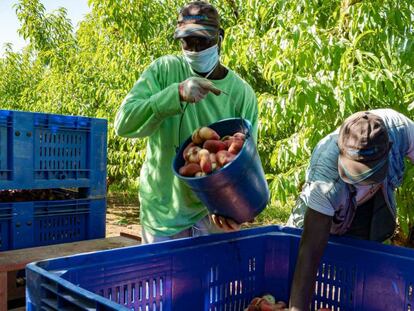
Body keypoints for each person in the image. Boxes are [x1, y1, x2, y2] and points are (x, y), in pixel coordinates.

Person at [114, 1, 258, 244]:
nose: (195, 48)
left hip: (213, 217)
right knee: (165, 282)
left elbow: (244, 162)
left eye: (203, 41)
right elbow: (124, 123)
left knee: (210, 282)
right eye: (187, 41)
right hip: (164, 214)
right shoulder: (164, 70)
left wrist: (238, 209)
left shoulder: (241, 93)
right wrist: (175, 93)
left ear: (220, 38)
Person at [286, 108, 414, 310]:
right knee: (314, 266)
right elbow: (310, 252)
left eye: (368, 172)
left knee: (362, 271)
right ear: (340, 148)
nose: (361, 180)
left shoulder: (401, 130)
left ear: (389, 148)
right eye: (355, 171)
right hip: (333, 212)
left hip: (370, 206)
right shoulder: (325, 180)